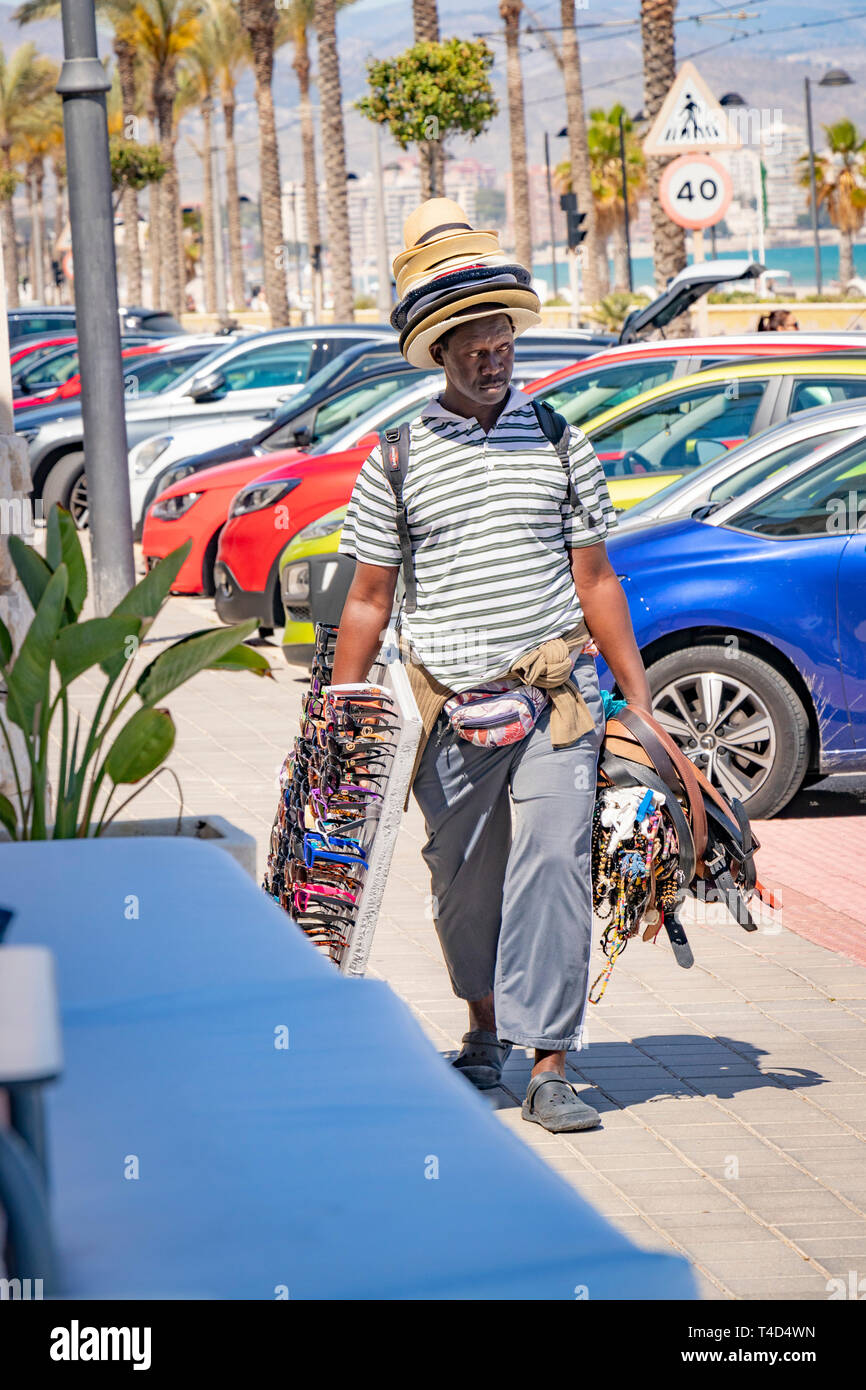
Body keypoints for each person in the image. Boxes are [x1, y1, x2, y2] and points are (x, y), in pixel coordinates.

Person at [330, 200, 653, 1134]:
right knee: (461, 878)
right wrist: (339, 716)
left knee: (554, 863)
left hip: (556, 700)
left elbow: (596, 579)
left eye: (499, 330)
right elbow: (367, 600)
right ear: (437, 348)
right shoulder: (394, 458)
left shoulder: (561, 440)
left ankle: (550, 1060)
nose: (489, 349)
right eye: (468, 335)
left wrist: (640, 701)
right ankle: (483, 1030)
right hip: (448, 709)